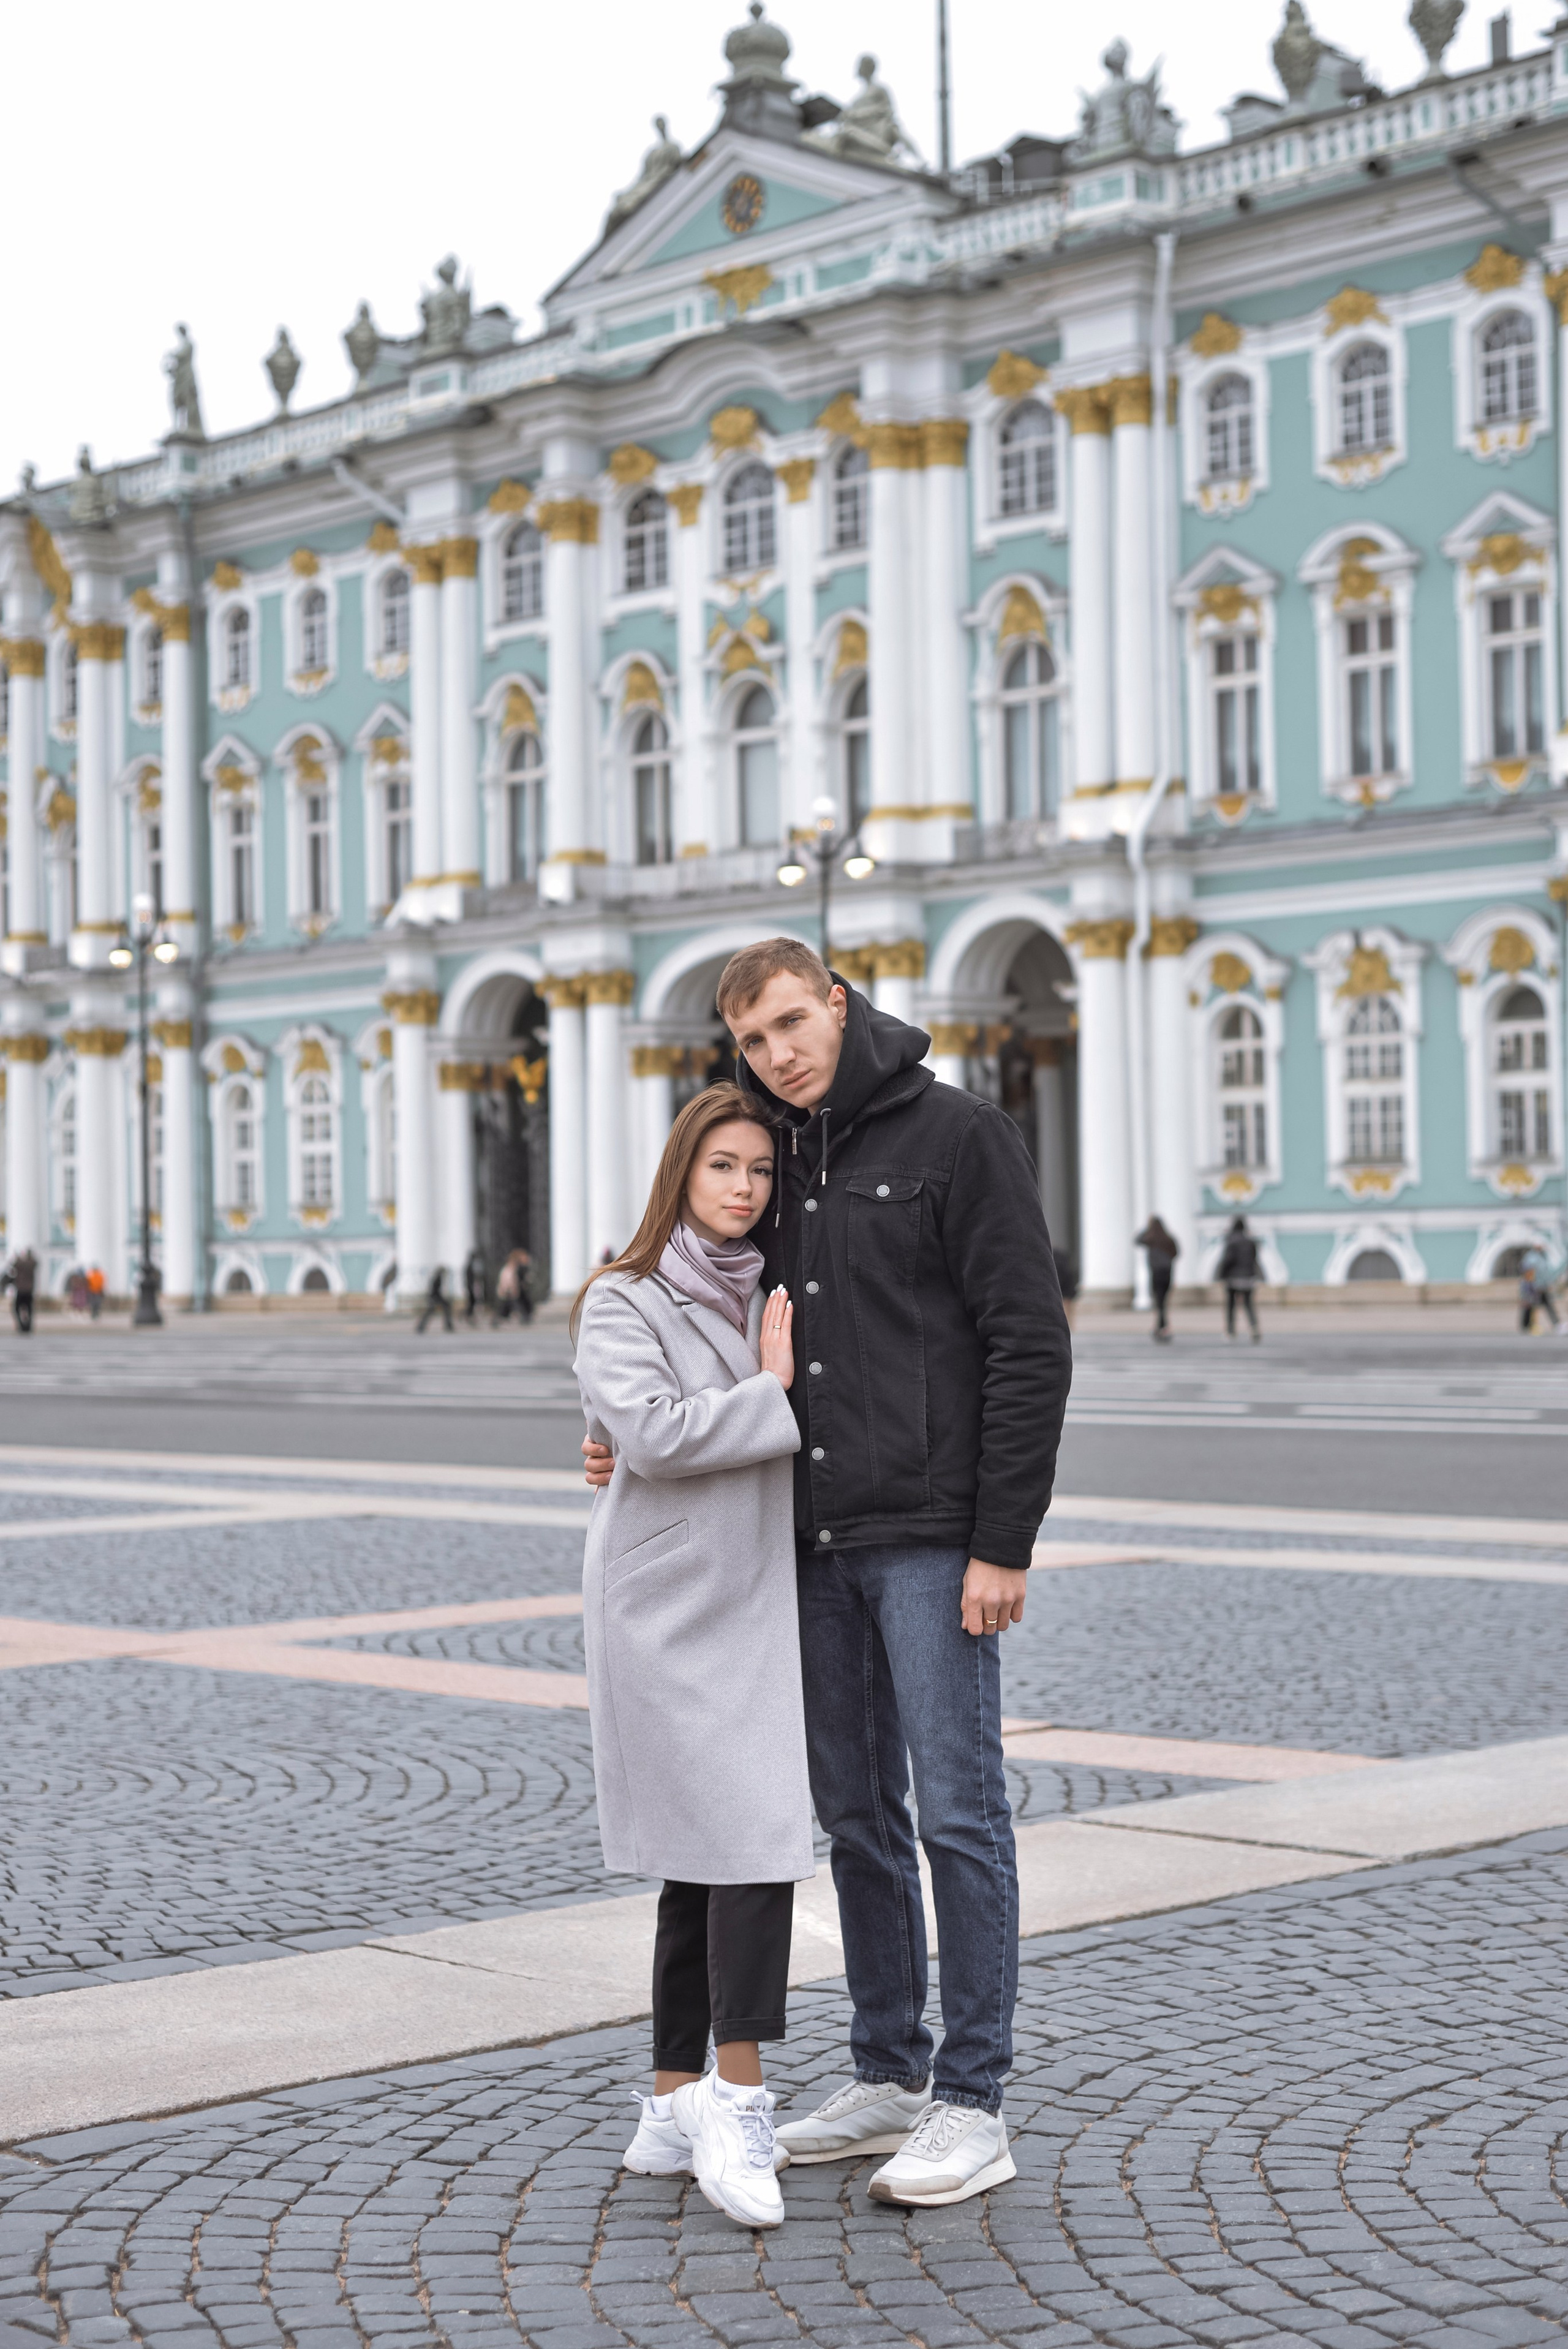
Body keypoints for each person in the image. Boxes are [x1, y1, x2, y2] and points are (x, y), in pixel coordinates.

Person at [586, 940, 1072, 2208]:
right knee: (856, 1819)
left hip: (928, 1537)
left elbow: (1028, 1342)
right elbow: (703, 1319)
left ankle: (972, 2099)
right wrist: (610, 1426)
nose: (778, 1054)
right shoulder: (778, 1157)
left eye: (792, 1025)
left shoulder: (959, 1136)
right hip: (805, 1546)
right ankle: (887, 2072)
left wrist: (1001, 1542)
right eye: (753, 1042)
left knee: (957, 1816)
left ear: (838, 1005)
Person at [573, 1082, 810, 2230]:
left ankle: (671, 2100)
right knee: (753, 1841)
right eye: (724, 1165)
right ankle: (740, 2096)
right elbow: (653, 1434)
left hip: (754, 1596)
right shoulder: (623, 1296)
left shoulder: (775, 1289)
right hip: (668, 1612)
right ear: (684, 1172)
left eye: (761, 1170)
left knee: (705, 1857)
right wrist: (769, 1394)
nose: (744, 1187)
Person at [1216, 1215, 1262, 1340]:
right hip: (1248, 1278)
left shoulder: (1231, 1241)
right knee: (1249, 1304)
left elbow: (1227, 1260)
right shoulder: (1250, 1242)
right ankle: (1254, 1328)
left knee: (1231, 1306)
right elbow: (1254, 1259)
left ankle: (1231, 1331)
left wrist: (1221, 1275)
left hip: (1233, 1278)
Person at [1135, 1216, 1180, 1341]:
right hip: (1167, 1273)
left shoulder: (1151, 1239)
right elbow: (1176, 1253)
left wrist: (1146, 1229)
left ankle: (1162, 1328)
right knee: (1163, 1301)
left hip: (1156, 1273)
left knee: (1159, 1302)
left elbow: (1137, 1240)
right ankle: (1162, 1327)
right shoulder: (1168, 1239)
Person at [1518, 1248, 1560, 1333]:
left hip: (1539, 1287)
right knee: (1531, 1307)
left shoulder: (1543, 1257)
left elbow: (1545, 1273)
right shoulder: (1532, 1257)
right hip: (1535, 1288)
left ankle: (1527, 1325)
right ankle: (1527, 1325)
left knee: (1543, 1306)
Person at [415, 1264, 453, 1333]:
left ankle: (421, 1327)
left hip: (435, 1297)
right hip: (434, 1297)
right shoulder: (438, 1278)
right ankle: (421, 1327)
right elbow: (435, 1291)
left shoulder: (437, 1278)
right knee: (431, 1311)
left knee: (441, 1308)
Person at [7, 1250, 34, 1336]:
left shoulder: (19, 1264)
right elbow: (36, 1262)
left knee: (16, 1308)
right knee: (29, 1309)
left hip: (21, 1290)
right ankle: (28, 1326)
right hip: (29, 1290)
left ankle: (22, 1326)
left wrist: (17, 1258)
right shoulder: (31, 1263)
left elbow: (12, 1265)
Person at [1052, 1245, 1078, 1335]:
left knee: (1064, 1306)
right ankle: (1070, 1325)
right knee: (1068, 1306)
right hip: (1066, 1284)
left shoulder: (1055, 1257)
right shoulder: (1062, 1259)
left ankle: (1068, 1325)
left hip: (1060, 1284)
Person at [462, 1248, 486, 1325]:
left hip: (471, 1287)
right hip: (471, 1287)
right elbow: (471, 1278)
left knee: (472, 1303)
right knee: (472, 1303)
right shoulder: (470, 1266)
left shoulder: (470, 1266)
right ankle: (468, 1316)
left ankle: (469, 1316)